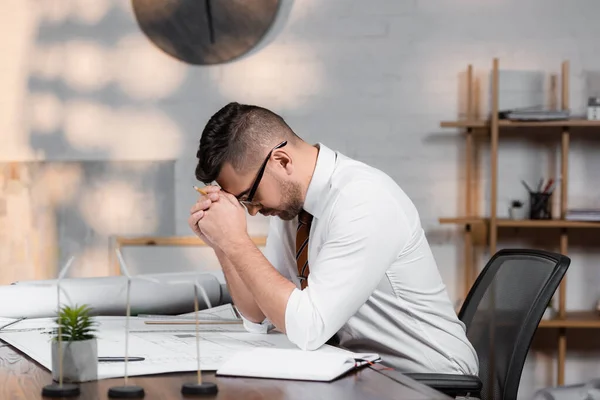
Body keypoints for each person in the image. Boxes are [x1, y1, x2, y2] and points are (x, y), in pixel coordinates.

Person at [188, 102, 479, 375]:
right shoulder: (290, 210)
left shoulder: (362, 200)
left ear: (282, 160)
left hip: (428, 379)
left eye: (249, 197)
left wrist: (238, 242)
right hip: (363, 373)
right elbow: (259, 314)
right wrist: (224, 245)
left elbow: (308, 327)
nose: (253, 212)